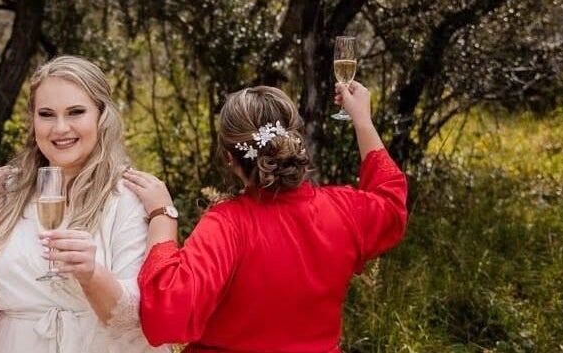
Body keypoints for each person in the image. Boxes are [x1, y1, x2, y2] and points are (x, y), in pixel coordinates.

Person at [123, 81, 408, 352]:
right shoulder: (344, 210)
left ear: (227, 157)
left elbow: (166, 316)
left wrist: (163, 215)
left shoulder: (226, 226)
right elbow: (391, 203)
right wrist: (363, 121)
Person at [0, 55, 168, 353]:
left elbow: (135, 320)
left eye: (76, 112)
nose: (60, 128)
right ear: (33, 120)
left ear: (101, 115)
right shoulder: (5, 192)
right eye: (46, 114)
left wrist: (92, 274)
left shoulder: (128, 196)